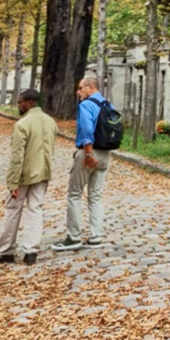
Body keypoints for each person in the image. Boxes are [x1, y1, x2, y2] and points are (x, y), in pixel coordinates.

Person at [0, 89, 56, 265]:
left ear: (30, 103)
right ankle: (31, 251)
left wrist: (13, 182)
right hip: (43, 172)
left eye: (20, 102)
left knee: (13, 211)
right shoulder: (51, 122)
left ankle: (6, 250)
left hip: (23, 175)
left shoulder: (22, 125)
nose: (18, 105)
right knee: (36, 210)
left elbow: (17, 157)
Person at [52, 77, 111, 251]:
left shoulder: (86, 105)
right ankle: (96, 236)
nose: (78, 92)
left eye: (80, 88)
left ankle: (73, 237)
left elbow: (86, 130)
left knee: (74, 194)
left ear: (91, 87)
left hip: (89, 153)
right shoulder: (108, 105)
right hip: (106, 154)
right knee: (96, 196)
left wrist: (88, 153)